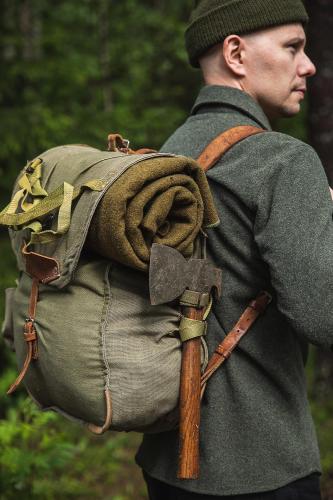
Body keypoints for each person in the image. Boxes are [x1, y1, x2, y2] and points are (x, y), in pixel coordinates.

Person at [136, 1, 333, 499]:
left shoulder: (167, 152)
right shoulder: (284, 160)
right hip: (263, 465)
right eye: (292, 47)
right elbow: (324, 316)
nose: (307, 65)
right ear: (236, 53)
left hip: (166, 460)